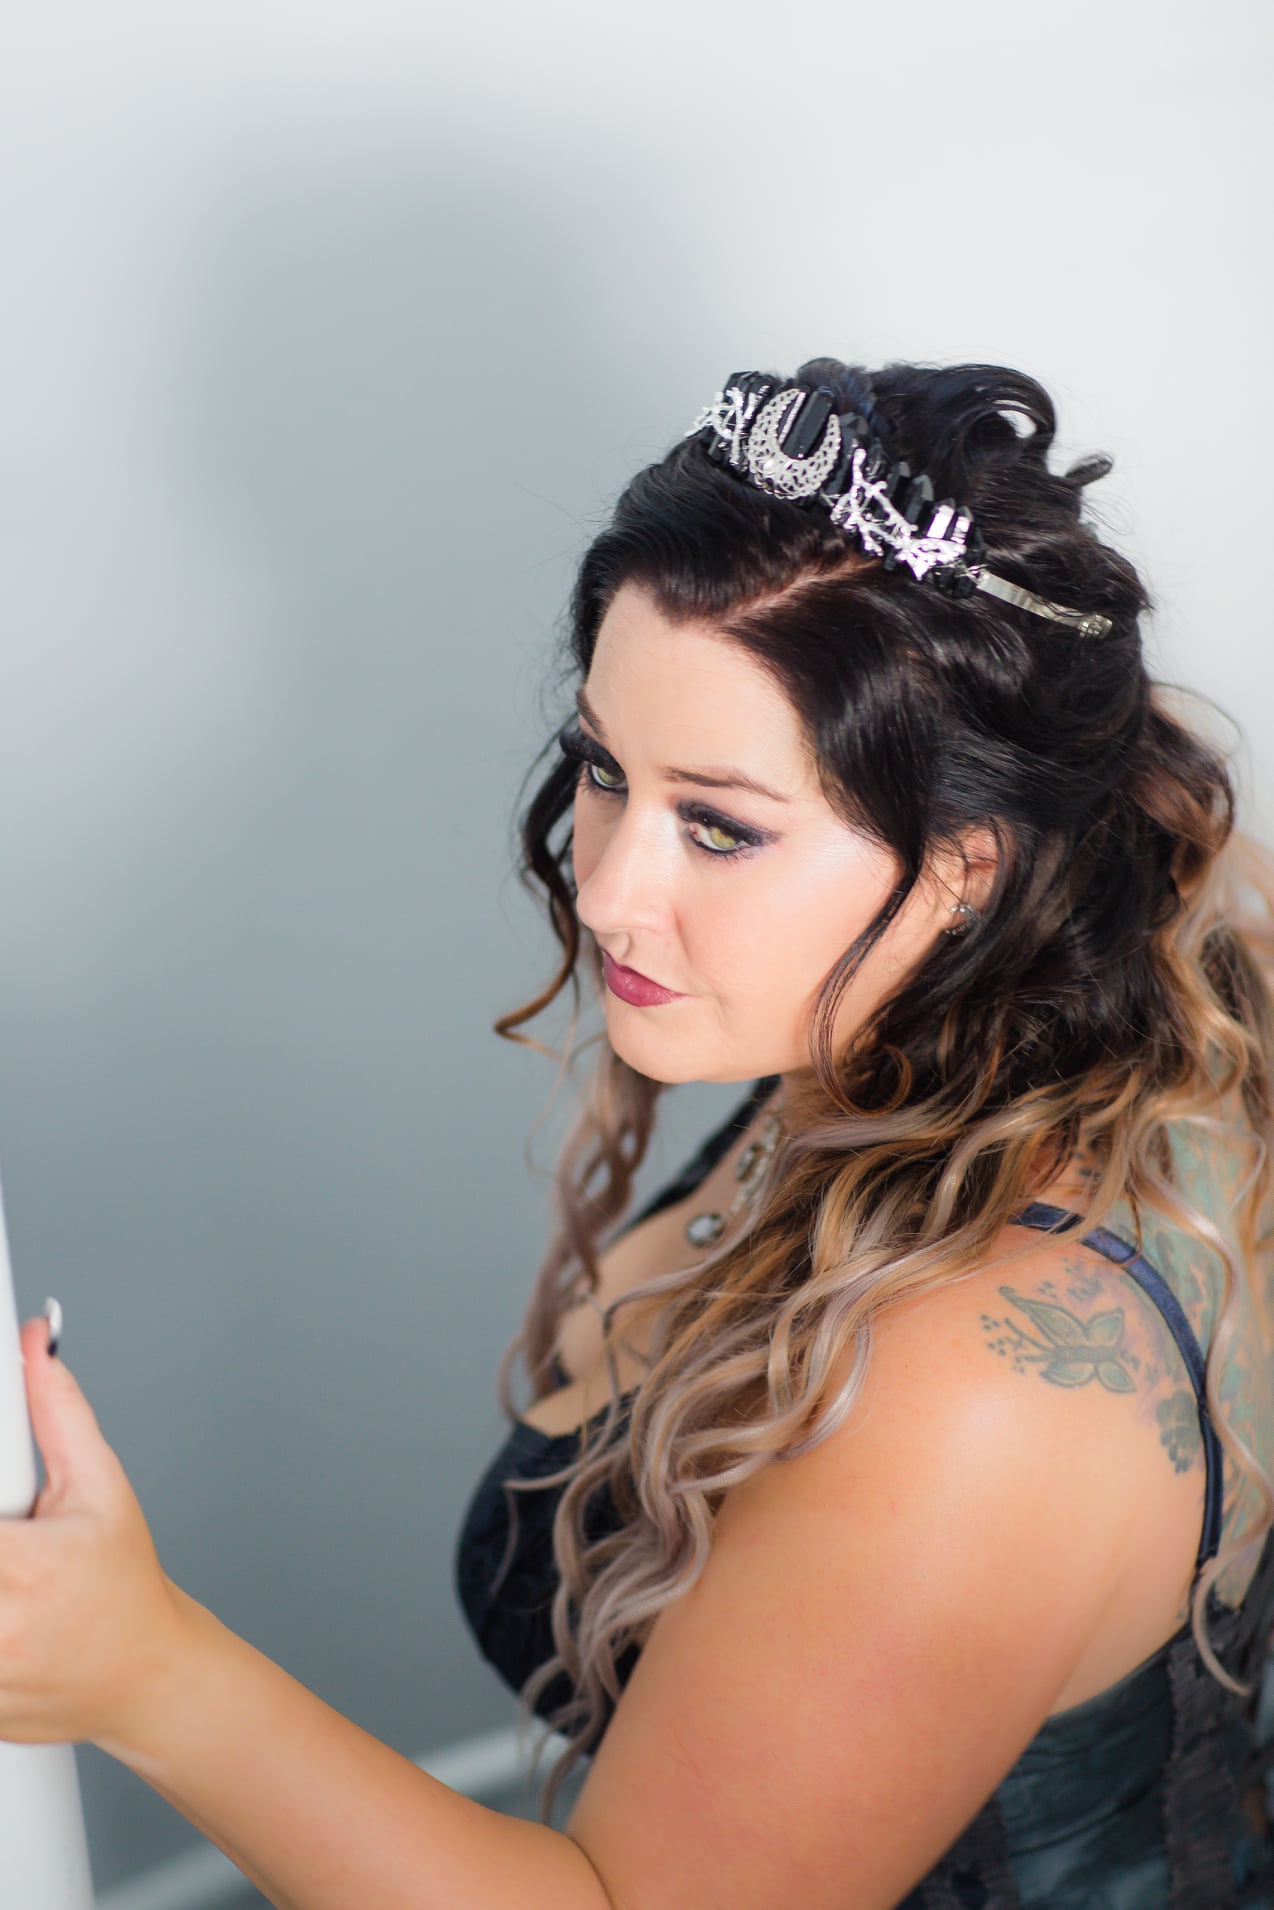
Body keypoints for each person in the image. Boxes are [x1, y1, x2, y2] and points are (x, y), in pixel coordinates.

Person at [1, 359, 1272, 1910]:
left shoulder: (982, 1385)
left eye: (718, 825)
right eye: (604, 768)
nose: (604, 887)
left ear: (966, 864)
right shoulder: (949, 1029)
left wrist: (150, 1671)